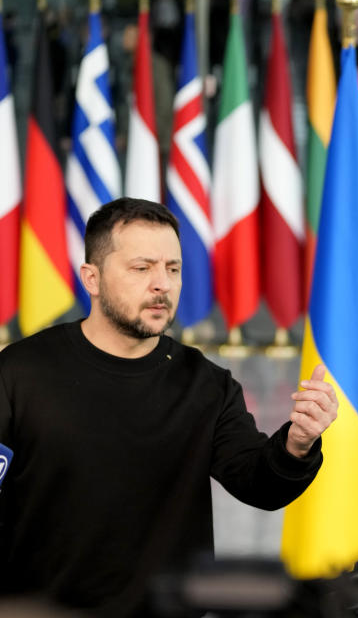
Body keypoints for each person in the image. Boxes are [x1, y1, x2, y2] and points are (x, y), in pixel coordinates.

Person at [0, 199, 338, 616]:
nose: (162, 284)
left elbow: (260, 485)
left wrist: (298, 443)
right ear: (92, 277)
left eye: (173, 269)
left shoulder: (207, 384)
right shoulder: (16, 374)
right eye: (142, 269)